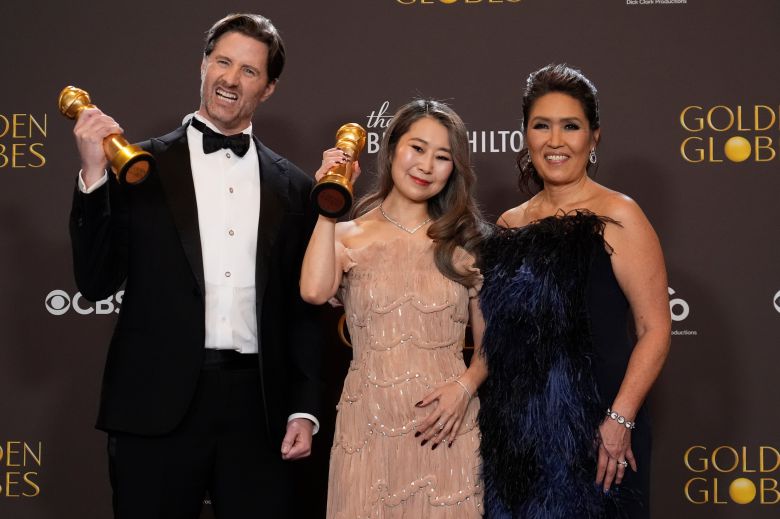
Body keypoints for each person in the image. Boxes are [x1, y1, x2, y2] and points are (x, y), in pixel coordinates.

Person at [68, 13, 323, 519]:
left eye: (249, 71)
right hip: (154, 404)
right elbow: (96, 282)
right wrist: (94, 174)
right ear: (203, 65)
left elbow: (303, 311)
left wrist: (304, 407)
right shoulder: (137, 167)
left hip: (260, 411)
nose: (231, 79)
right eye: (223, 62)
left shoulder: (295, 187)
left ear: (269, 88)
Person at [477, 64, 671, 518]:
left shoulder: (620, 215)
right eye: (541, 125)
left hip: (597, 435)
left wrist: (620, 419)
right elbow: (495, 338)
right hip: (516, 440)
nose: (555, 140)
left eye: (570, 126)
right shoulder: (508, 224)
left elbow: (655, 330)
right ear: (525, 135)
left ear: (594, 136)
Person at [300, 99, 487, 518]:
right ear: (391, 150)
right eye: (416, 148)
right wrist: (329, 199)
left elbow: (492, 343)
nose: (426, 166)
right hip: (369, 429)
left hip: (445, 430)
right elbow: (313, 291)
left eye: (442, 157)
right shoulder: (348, 234)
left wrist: (465, 387)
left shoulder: (465, 242)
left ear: (454, 169)